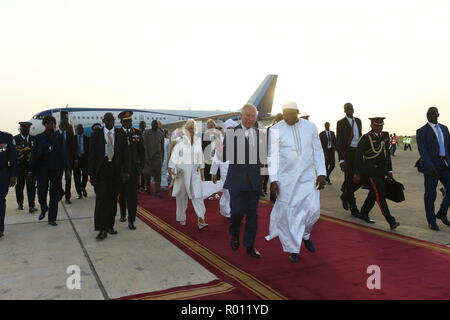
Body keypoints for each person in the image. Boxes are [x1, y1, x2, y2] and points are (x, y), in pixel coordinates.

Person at [265, 102, 326, 262]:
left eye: (292, 114)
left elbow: (318, 150)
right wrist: (273, 180)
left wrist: (321, 173)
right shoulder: (275, 129)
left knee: (313, 211)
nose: (289, 117)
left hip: (308, 177)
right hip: (287, 179)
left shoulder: (311, 127)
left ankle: (305, 234)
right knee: (291, 215)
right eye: (286, 114)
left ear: (298, 113)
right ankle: (293, 249)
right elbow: (272, 156)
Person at [222, 104, 263, 259]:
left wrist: (267, 180)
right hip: (237, 181)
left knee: (253, 215)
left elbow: (264, 160)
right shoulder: (232, 133)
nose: (251, 119)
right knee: (237, 212)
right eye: (248, 116)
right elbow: (225, 156)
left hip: (254, 182)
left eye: (253, 116)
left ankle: (250, 245)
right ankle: (234, 233)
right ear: (241, 116)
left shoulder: (260, 135)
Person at [89, 112, 130, 240]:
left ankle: (110, 226)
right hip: (102, 171)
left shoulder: (120, 134)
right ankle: (101, 229)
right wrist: (91, 174)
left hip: (115, 171)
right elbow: (91, 157)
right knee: (101, 201)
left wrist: (126, 172)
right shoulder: (96, 135)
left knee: (113, 201)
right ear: (103, 121)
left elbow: (125, 155)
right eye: (108, 120)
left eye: (112, 120)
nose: (110, 122)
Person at [353, 117, 400, 230]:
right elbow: (358, 156)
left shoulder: (384, 136)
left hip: (382, 170)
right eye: (377, 125)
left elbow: (387, 154)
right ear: (371, 125)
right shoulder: (365, 138)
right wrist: (357, 173)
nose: (379, 127)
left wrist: (389, 170)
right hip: (371, 171)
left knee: (374, 194)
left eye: (381, 125)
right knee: (380, 195)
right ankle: (391, 220)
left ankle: (363, 212)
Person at [168, 119, 208, 229]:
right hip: (182, 174)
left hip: (194, 174)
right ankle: (181, 217)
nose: (192, 130)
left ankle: (201, 218)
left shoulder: (198, 141)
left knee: (198, 196)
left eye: (194, 128)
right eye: (190, 128)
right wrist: (171, 170)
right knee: (182, 198)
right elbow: (173, 157)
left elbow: (201, 158)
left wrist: (202, 174)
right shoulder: (180, 141)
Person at [29, 116, 68, 226]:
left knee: (54, 194)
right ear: (44, 124)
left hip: (56, 169)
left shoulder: (59, 137)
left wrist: (67, 169)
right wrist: (31, 170)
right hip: (42, 169)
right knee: (41, 192)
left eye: (52, 123)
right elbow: (34, 155)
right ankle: (44, 207)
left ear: (54, 124)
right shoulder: (38, 137)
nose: (50, 125)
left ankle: (52, 218)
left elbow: (63, 153)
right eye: (48, 123)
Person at [416, 107, 450, 231]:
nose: (429, 115)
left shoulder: (444, 128)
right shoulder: (422, 131)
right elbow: (423, 150)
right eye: (428, 113)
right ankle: (431, 221)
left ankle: (442, 212)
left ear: (438, 115)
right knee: (430, 194)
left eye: (432, 113)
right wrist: (430, 166)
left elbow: (448, 147)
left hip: (445, 164)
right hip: (431, 167)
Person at [118, 111, 145, 230]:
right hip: (121, 171)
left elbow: (142, 152)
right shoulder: (117, 134)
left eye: (130, 121)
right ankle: (123, 214)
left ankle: (132, 219)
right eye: (126, 121)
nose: (128, 123)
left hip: (134, 170)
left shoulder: (137, 134)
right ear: (121, 122)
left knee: (133, 196)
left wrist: (141, 166)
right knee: (122, 194)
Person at [336, 102, 362, 217]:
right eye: (347, 109)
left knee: (361, 178)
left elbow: (360, 136)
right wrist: (341, 160)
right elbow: (339, 142)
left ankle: (345, 195)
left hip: (358, 153)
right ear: (344, 111)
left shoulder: (358, 121)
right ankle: (353, 208)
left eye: (351, 108)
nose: (350, 110)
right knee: (349, 179)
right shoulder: (340, 123)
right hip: (348, 153)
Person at [211, 119, 239, 219]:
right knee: (227, 192)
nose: (230, 130)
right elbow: (216, 158)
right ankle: (228, 212)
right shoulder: (220, 141)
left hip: (237, 172)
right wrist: (214, 173)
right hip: (225, 170)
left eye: (232, 128)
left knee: (235, 193)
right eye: (228, 128)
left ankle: (232, 212)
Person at [14, 122, 37, 213]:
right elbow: (13, 153)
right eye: (24, 129)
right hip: (20, 167)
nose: (26, 130)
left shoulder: (33, 139)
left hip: (31, 167)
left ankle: (31, 205)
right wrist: (21, 153)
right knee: (20, 186)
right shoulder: (15, 139)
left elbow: (36, 152)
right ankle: (20, 203)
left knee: (31, 186)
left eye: (27, 129)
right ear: (21, 129)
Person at [261, 113, 283, 198]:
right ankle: (273, 194)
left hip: (270, 155)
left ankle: (265, 189)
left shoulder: (270, 128)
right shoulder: (284, 129)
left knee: (267, 174)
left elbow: (266, 142)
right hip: (278, 156)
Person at [0, 130, 17, 238]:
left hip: (2, 173)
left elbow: (13, 157)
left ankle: (0, 229)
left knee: (0, 200)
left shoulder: (6, 138)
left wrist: (13, 175)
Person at [143, 120, 164, 198]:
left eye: (156, 125)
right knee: (147, 174)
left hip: (157, 158)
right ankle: (148, 189)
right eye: (153, 124)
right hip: (148, 157)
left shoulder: (161, 134)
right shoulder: (146, 133)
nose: (155, 126)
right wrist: (146, 157)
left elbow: (162, 147)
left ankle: (157, 191)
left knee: (158, 175)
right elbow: (144, 145)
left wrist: (162, 158)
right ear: (151, 125)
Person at [58, 118, 76, 204]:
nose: (65, 126)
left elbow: (74, 148)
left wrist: (75, 159)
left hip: (68, 161)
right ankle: (60, 192)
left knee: (68, 180)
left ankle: (67, 197)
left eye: (67, 125)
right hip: (58, 161)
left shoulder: (70, 135)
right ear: (60, 125)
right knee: (58, 179)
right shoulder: (55, 135)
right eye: (64, 125)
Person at [73, 124, 89, 200]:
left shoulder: (87, 138)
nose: (80, 130)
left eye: (81, 128)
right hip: (76, 160)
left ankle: (83, 187)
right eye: (78, 128)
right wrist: (74, 159)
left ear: (83, 129)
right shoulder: (73, 138)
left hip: (85, 159)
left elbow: (89, 150)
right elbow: (71, 150)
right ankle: (79, 193)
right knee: (76, 177)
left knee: (85, 175)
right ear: (76, 130)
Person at [139, 121, 147, 192]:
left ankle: (143, 186)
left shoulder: (147, 133)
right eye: (141, 125)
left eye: (143, 125)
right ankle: (138, 187)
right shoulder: (137, 133)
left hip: (145, 155)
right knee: (138, 172)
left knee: (144, 172)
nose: (142, 126)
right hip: (138, 156)